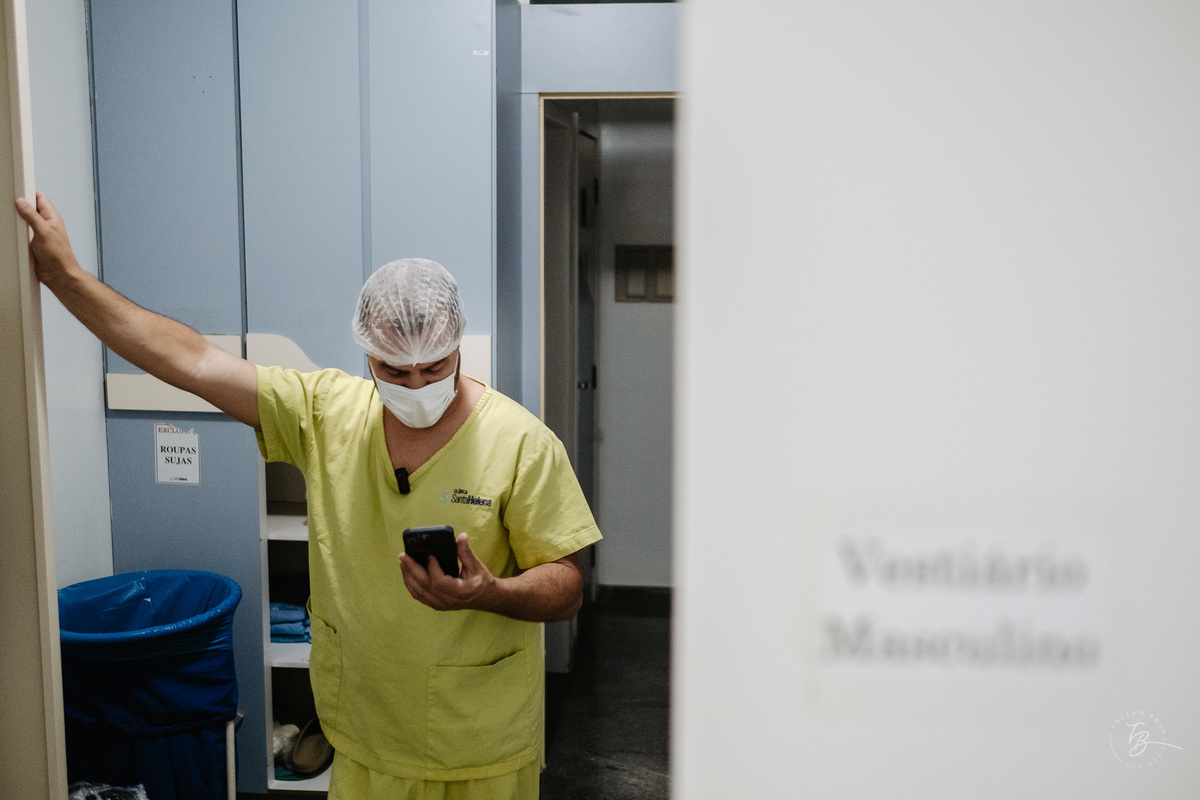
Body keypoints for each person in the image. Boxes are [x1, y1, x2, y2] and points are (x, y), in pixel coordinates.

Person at [17, 192, 601, 800]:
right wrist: (67, 277)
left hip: (480, 743)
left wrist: (491, 592)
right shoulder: (326, 413)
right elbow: (193, 361)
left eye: (434, 367)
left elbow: (567, 587)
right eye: (394, 370)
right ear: (366, 353)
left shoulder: (521, 442)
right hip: (365, 732)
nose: (416, 385)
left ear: (456, 346)